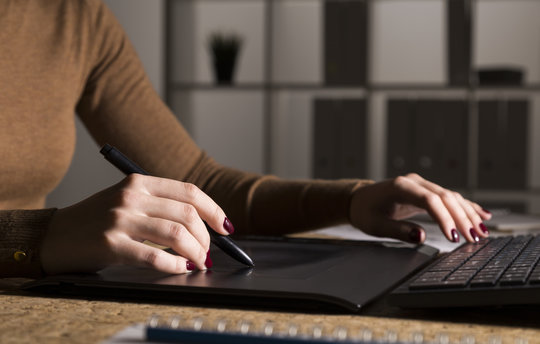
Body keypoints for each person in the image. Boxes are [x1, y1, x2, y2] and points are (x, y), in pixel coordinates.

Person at [0, 0, 491, 278]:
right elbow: (40, 241)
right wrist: (37, 237)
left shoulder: (71, 17)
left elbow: (197, 182)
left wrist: (353, 199)